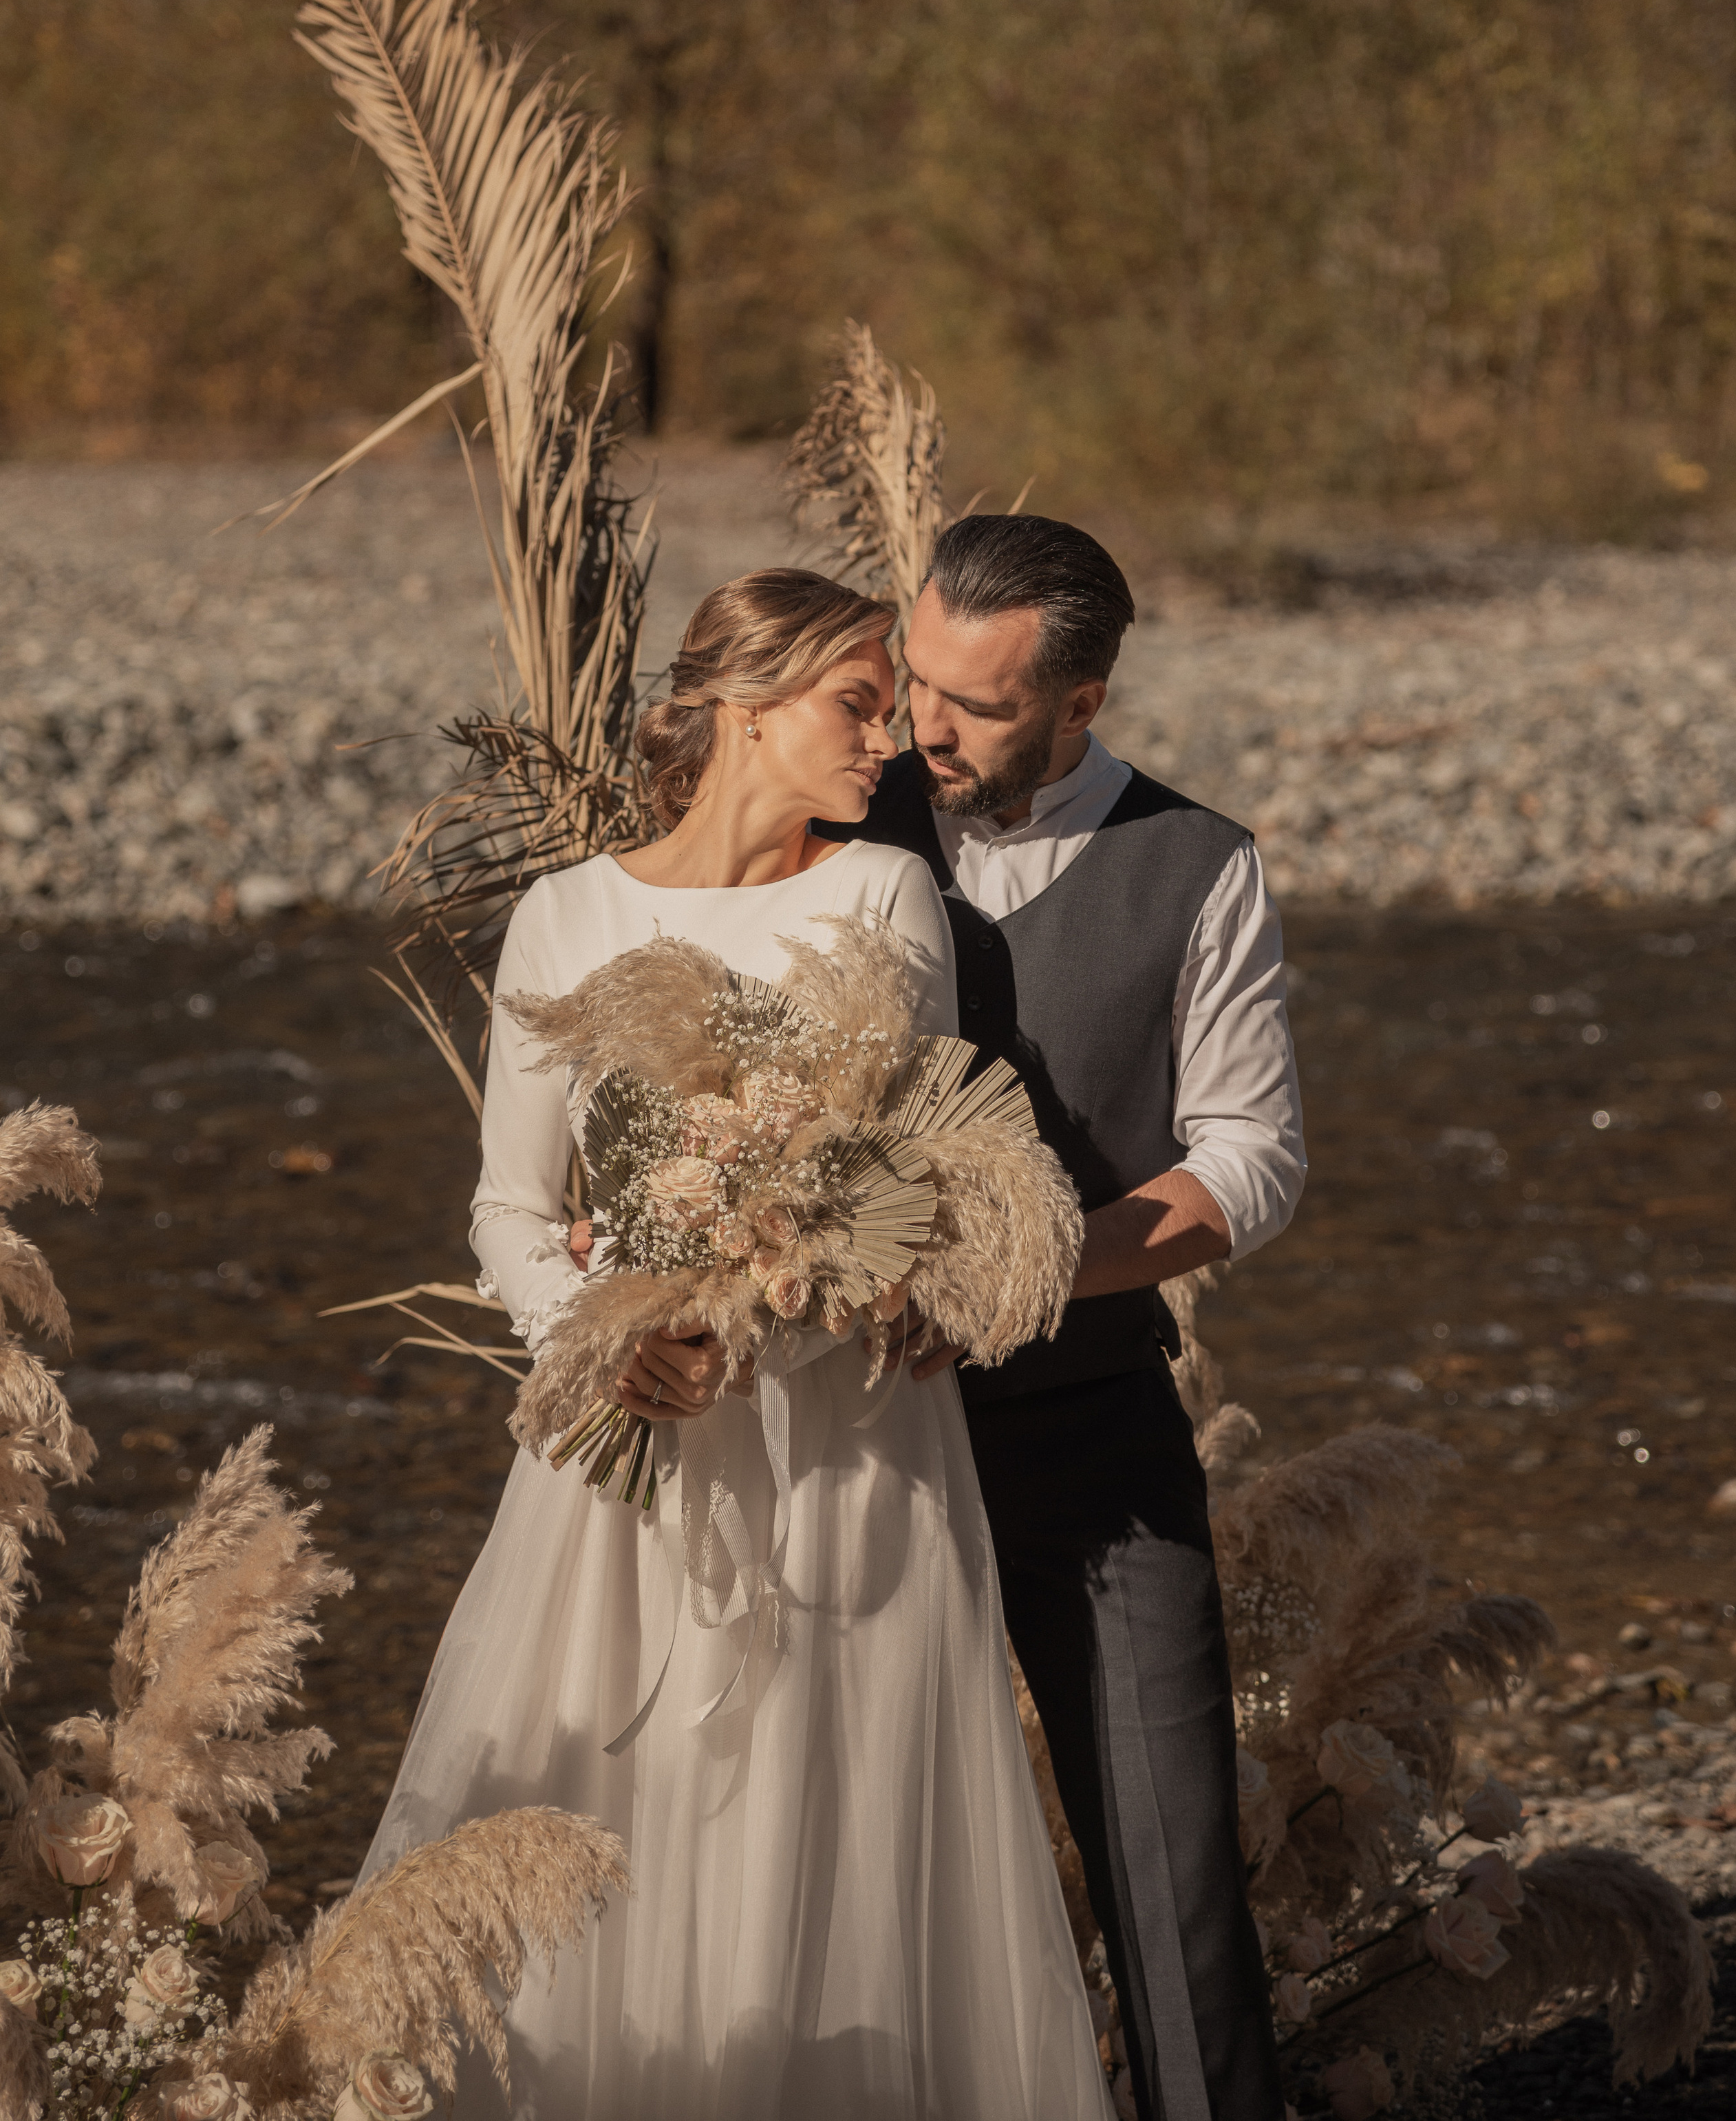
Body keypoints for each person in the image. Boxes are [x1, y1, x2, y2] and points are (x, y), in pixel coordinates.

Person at [359, 568, 1113, 2121]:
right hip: (620, 1464)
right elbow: (508, 1209)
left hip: (844, 1452)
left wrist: (755, 1325)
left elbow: (890, 1176)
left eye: (894, 704)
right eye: (857, 702)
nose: (890, 738)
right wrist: (606, 1338)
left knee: (821, 1834)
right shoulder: (564, 915)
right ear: (743, 707)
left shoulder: (879, 899)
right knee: (590, 1823)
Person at [824, 514, 1306, 2121]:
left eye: (971, 702)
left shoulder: (1199, 865)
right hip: (838, 1443)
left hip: (1088, 1425)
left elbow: (1251, 1159)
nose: (920, 725)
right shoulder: (829, 817)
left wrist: (1015, 1278)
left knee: (1173, 1873)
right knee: (846, 1863)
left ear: (1079, 704)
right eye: (911, 680)